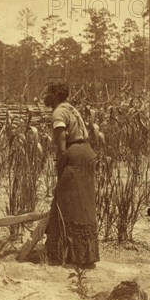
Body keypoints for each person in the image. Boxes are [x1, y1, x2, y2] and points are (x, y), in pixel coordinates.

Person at [43, 81, 99, 268]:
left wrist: (62, 156)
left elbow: (61, 136)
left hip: (74, 154)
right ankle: (83, 255)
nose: (46, 96)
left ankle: (67, 255)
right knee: (82, 203)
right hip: (87, 154)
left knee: (66, 201)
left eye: (49, 93)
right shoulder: (71, 109)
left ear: (57, 95)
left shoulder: (59, 111)